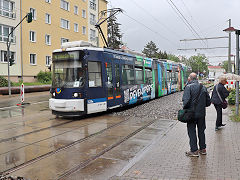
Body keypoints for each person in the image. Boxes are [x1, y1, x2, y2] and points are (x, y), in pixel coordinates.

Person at [182, 73, 211, 157]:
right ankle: (203, 149)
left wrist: (185, 109)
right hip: (201, 114)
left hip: (191, 114)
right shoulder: (203, 87)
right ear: (197, 78)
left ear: (189, 79)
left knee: (191, 131)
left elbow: (186, 101)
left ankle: (194, 150)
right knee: (201, 131)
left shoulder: (188, 87)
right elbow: (208, 102)